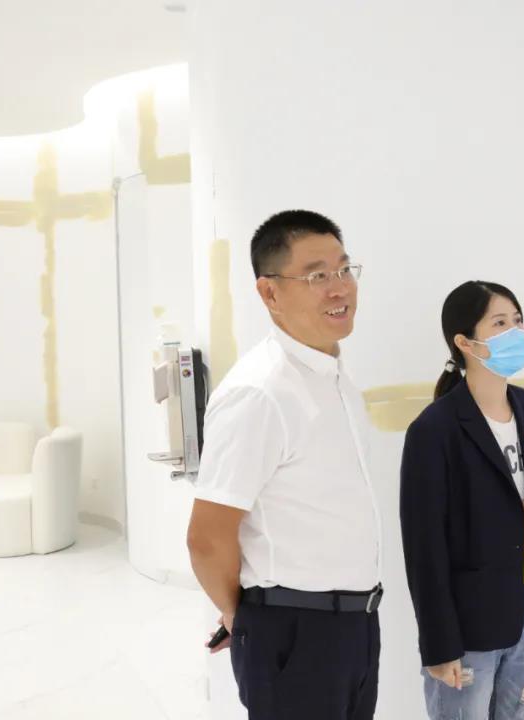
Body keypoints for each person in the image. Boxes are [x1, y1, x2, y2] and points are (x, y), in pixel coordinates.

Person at [187, 210, 383, 719]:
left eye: (344, 269)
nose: (339, 288)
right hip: (295, 633)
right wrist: (244, 618)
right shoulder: (260, 392)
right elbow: (207, 537)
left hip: (355, 624)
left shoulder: (334, 379)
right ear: (269, 292)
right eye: (317, 276)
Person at [400, 281, 524, 719]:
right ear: (464, 342)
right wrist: (438, 645)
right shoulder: (434, 430)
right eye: (499, 323)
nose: (515, 332)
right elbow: (424, 547)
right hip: (470, 617)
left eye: (517, 320)